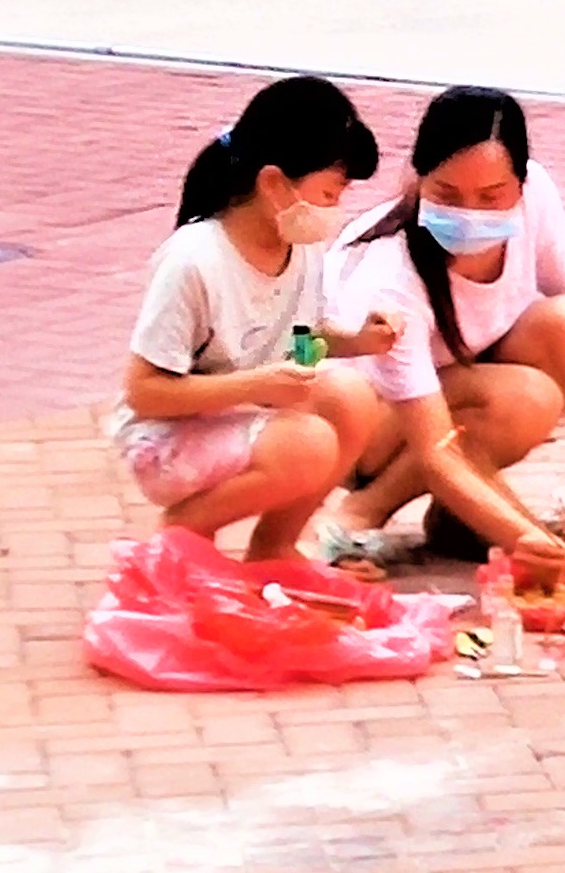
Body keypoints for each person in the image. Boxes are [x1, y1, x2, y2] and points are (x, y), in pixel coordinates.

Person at [322, 86, 565, 562]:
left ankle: (463, 516)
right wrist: (527, 538)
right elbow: (436, 447)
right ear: (417, 179)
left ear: (519, 186)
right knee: (523, 399)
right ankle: (364, 510)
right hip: (366, 427)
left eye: (491, 196)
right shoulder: (392, 279)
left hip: (450, 390)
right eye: (447, 194)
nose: (469, 213)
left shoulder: (535, 194)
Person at [116, 77, 399, 562]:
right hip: (168, 438)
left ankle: (275, 547)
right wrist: (255, 385)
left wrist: (357, 342)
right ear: (274, 184)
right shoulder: (195, 260)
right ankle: (181, 535)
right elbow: (146, 391)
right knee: (307, 444)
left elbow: (303, 335)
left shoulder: (301, 245)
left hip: (245, 409)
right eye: (330, 194)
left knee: (352, 399)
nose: (336, 210)